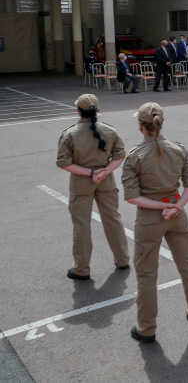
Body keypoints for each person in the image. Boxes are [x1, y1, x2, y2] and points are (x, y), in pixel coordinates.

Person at [122, 102, 188, 343]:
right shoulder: (178, 149)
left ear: (141, 126)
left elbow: (132, 197)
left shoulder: (136, 155)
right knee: (187, 265)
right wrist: (176, 206)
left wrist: (163, 207)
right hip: (177, 214)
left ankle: (147, 328)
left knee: (147, 275)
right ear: (161, 123)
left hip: (150, 217)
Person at [56, 94, 130, 280]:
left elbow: (63, 163)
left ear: (78, 111)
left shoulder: (70, 134)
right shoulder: (109, 131)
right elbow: (120, 156)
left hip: (81, 182)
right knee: (113, 219)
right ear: (96, 110)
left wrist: (90, 173)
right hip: (106, 180)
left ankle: (81, 269)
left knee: (82, 224)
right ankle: (122, 259)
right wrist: (103, 172)